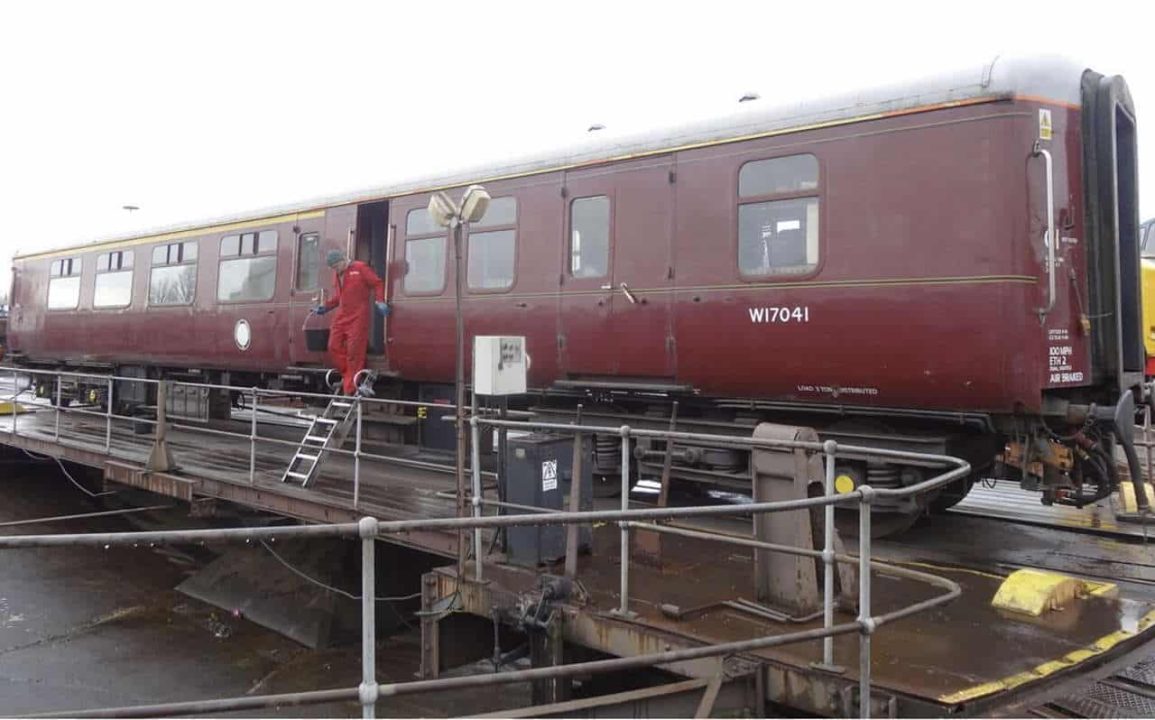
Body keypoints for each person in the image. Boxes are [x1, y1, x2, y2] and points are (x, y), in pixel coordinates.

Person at [314, 250, 390, 396]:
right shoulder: (338, 275)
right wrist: (326, 307)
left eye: (336, 266)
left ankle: (349, 389)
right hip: (342, 315)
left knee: (355, 352)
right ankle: (349, 374)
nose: (335, 269)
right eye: (333, 268)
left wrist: (380, 301)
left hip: (358, 317)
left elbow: (377, 283)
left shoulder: (360, 268)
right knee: (333, 346)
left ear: (343, 260)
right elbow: (339, 297)